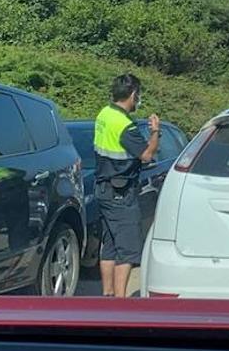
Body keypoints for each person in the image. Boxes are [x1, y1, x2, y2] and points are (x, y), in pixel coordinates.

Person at [93, 73, 161, 298]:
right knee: (128, 250)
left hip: (103, 188)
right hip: (121, 192)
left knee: (109, 245)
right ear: (133, 95)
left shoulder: (104, 114)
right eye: (138, 96)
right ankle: (121, 302)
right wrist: (154, 131)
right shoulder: (125, 125)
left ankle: (107, 295)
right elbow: (147, 155)